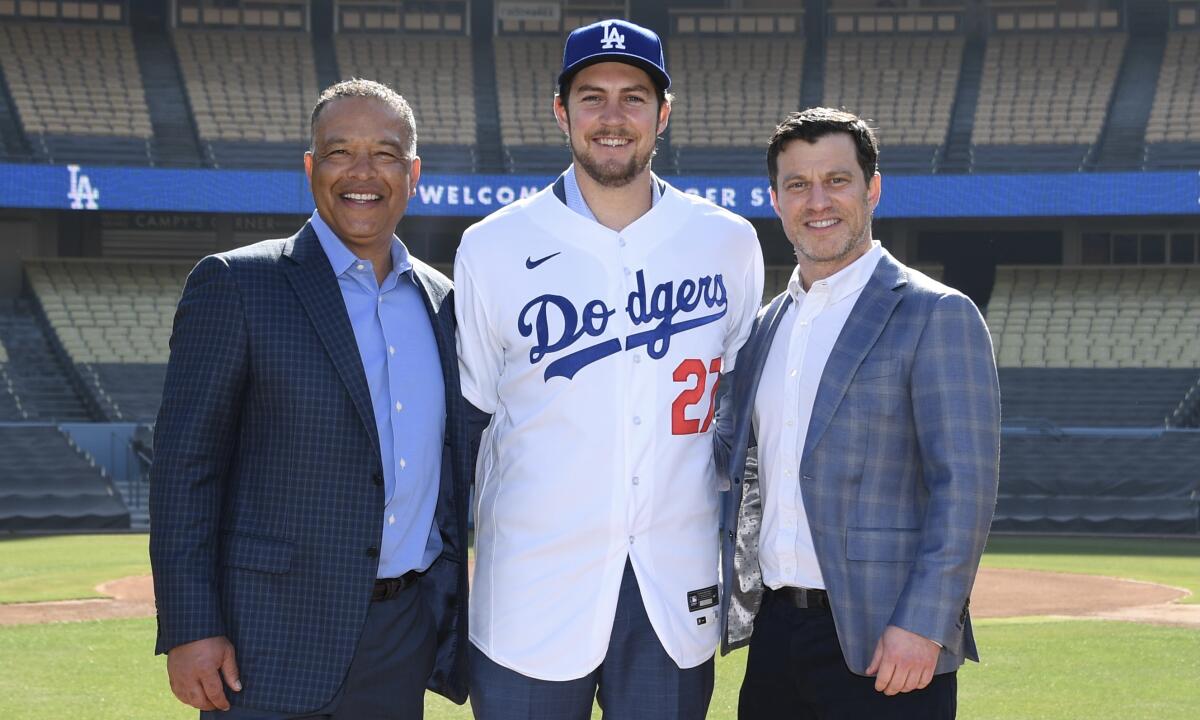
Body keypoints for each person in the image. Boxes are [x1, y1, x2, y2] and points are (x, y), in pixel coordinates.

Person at [453, 18, 764, 720]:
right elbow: (471, 419)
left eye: (634, 96)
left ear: (664, 113)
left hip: (672, 588)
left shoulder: (727, 243)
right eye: (592, 97)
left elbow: (741, 420)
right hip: (531, 593)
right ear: (561, 111)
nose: (613, 117)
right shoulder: (492, 247)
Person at [149, 79, 473, 719]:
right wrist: (190, 627)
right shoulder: (238, 284)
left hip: (400, 637)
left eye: (384, 154)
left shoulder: (447, 303)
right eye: (338, 152)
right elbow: (185, 469)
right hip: (266, 640)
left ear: (413, 174)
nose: (362, 172)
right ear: (309, 167)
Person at [715, 108, 1000, 719]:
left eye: (837, 180)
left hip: (886, 645)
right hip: (774, 641)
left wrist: (925, 624)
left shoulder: (936, 315)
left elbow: (965, 487)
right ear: (776, 200)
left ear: (873, 187)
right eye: (798, 185)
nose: (817, 201)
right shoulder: (765, 328)